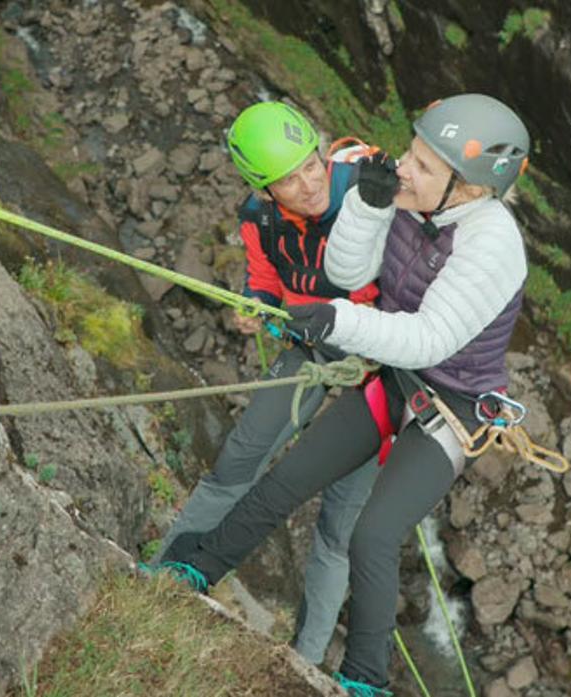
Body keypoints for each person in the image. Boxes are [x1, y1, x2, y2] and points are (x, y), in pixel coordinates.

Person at [160, 94, 531, 696]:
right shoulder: (415, 204)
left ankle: (363, 682)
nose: (404, 167)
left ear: (468, 190)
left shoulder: (492, 245)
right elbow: (351, 273)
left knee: (373, 535)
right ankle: (196, 568)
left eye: (422, 165)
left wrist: (333, 322)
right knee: (287, 480)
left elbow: (429, 339)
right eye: (411, 152)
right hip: (392, 380)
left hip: (448, 410)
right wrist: (369, 201)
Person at [151, 101, 381, 665]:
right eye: (289, 179)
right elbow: (265, 278)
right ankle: (164, 576)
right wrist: (255, 305)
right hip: (311, 346)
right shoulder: (260, 218)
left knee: (338, 526)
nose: (309, 186)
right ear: (264, 188)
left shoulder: (367, 193)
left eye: (311, 166)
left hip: (379, 365)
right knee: (238, 460)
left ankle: (303, 661)